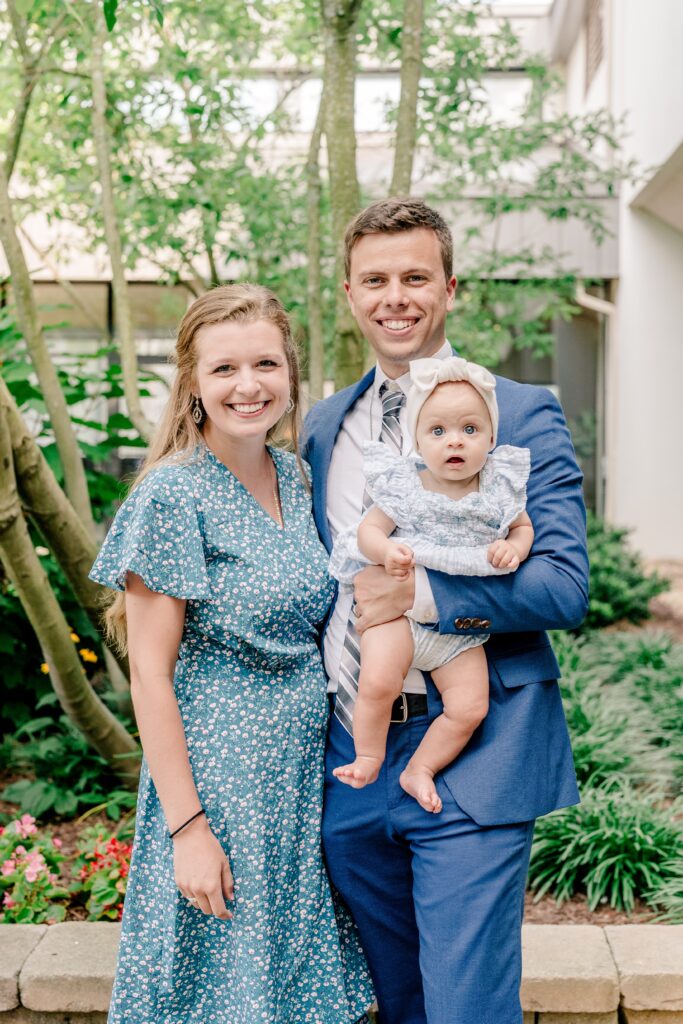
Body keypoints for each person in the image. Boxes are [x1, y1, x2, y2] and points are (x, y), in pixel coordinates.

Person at [303, 198, 588, 1024]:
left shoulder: (521, 409)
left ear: (449, 287)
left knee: (466, 1009)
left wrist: (420, 595)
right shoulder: (324, 424)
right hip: (350, 758)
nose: (396, 296)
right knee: (396, 1004)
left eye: (416, 277)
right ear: (351, 293)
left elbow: (562, 586)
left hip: (476, 748)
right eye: (376, 280)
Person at [89, 284, 373, 1024]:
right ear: (191, 383)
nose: (248, 386)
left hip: (298, 775)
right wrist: (188, 830)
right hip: (218, 782)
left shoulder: (296, 475)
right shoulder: (171, 496)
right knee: (220, 992)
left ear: (289, 372)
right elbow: (149, 675)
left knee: (287, 989)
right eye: (223, 370)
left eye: (265, 364)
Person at [328, 356, 534, 813]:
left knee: (469, 707)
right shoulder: (407, 485)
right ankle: (368, 755)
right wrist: (386, 552)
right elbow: (368, 530)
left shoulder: (498, 487)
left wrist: (514, 548)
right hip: (397, 615)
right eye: (438, 431)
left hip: (457, 629)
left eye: (470, 430)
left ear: (492, 439)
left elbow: (522, 528)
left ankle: (420, 768)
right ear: (418, 441)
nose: (454, 441)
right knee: (378, 681)